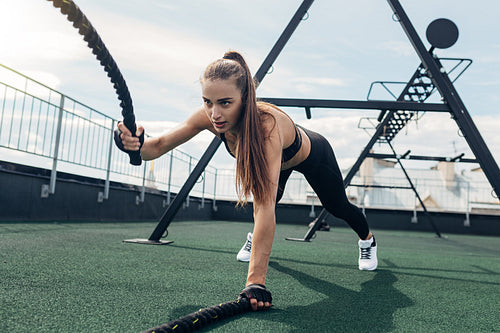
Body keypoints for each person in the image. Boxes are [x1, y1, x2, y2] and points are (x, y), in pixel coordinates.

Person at [114, 50, 377, 312]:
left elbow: (263, 207)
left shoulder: (266, 126)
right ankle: (256, 240)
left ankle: (367, 240)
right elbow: (156, 146)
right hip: (276, 159)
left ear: (245, 98)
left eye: (225, 103)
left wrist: (255, 283)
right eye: (208, 101)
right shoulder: (210, 116)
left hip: (312, 154)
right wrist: (133, 145)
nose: (214, 113)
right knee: (270, 199)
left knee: (336, 206)